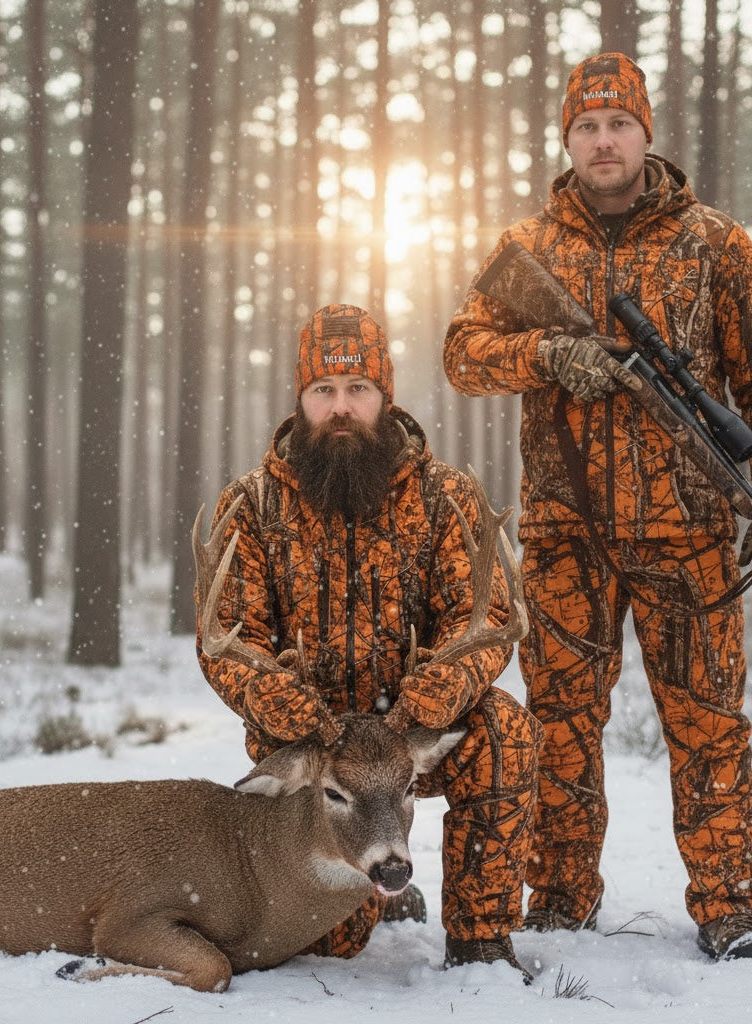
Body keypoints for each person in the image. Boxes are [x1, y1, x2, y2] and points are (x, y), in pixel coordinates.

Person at [443, 52, 752, 961]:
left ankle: (729, 910)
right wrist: (548, 356)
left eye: (619, 125)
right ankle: (561, 903)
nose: (604, 142)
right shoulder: (529, 248)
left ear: (647, 134)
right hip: (565, 535)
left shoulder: (716, 242)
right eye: (587, 128)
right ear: (568, 140)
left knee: (709, 723)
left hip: (690, 532)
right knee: (560, 724)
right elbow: (462, 351)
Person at [196, 303, 543, 981]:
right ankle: (373, 897)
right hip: (313, 750)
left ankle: (480, 940)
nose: (342, 408)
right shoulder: (254, 506)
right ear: (300, 402)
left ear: (386, 398)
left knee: (502, 728)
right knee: (331, 947)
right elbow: (226, 642)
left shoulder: (446, 499)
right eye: (323, 391)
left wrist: (420, 707)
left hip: (412, 736)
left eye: (359, 390)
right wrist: (287, 707)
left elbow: (485, 622)